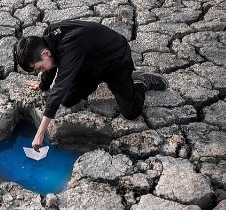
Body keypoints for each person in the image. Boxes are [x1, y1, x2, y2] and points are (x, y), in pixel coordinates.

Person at [15, 20, 168, 151]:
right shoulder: (48, 37)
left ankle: (140, 82)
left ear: (45, 53)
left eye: (39, 68)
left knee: (131, 112)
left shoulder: (70, 46)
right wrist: (43, 84)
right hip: (88, 65)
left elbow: (59, 87)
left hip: (114, 61)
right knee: (67, 100)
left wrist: (40, 133)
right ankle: (96, 81)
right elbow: (52, 65)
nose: (42, 70)